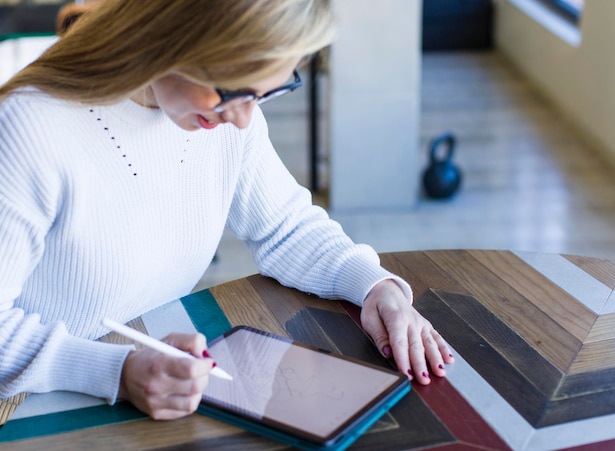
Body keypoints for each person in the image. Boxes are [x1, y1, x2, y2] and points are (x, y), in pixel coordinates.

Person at [0, 0, 453, 421]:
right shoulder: (31, 129)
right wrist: (115, 371)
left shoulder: (229, 117)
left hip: (152, 377)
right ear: (169, 37)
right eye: (232, 89)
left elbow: (286, 228)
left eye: (266, 92)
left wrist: (375, 288)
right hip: (28, 399)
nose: (242, 117)